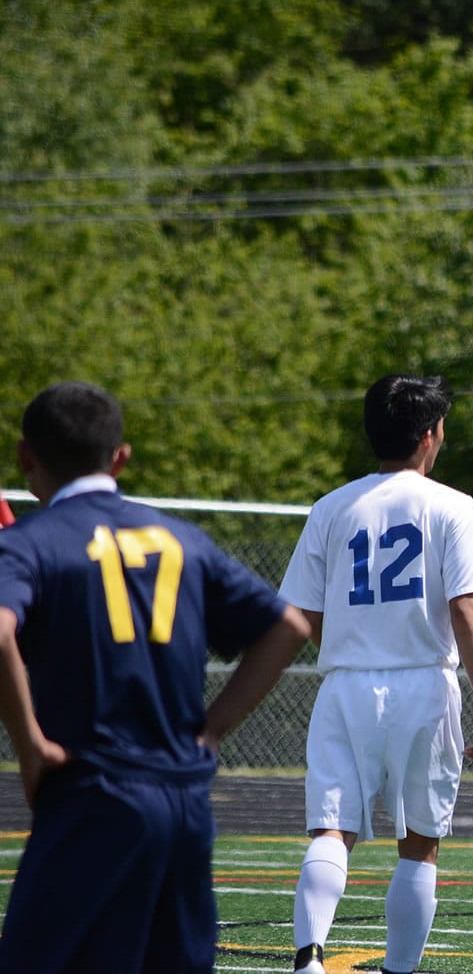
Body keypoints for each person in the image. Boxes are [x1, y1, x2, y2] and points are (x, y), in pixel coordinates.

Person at [0, 380, 311, 973]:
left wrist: (31, 747)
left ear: (24, 456)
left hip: (92, 792)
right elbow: (290, 627)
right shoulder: (184, 540)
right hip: (184, 801)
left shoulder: (28, 544)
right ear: (120, 458)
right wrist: (214, 728)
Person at [280, 375, 473, 974]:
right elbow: (465, 606)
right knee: (420, 845)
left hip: (345, 685)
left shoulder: (331, 507)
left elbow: (301, 610)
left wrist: (349, 647)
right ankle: (400, 970)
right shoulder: (454, 506)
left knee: (331, 829)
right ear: (430, 435)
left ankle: (309, 958)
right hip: (423, 686)